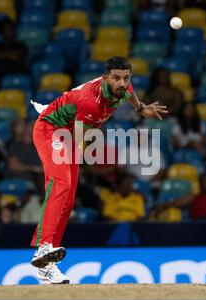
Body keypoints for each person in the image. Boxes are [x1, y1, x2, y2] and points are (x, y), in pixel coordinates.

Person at [29, 56, 168, 284]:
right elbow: (79, 140)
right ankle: (43, 246)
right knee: (60, 184)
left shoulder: (123, 87)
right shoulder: (90, 102)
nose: (122, 83)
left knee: (68, 200)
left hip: (69, 133)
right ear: (105, 78)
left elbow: (130, 93)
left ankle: (46, 267)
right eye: (116, 78)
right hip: (51, 130)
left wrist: (141, 108)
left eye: (126, 78)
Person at [0, 17, 28, 87]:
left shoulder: (20, 45)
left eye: (12, 29)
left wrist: (0, 55)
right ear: (2, 32)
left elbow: (19, 55)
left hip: (16, 75)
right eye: (8, 29)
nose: (12, 31)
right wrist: (10, 56)